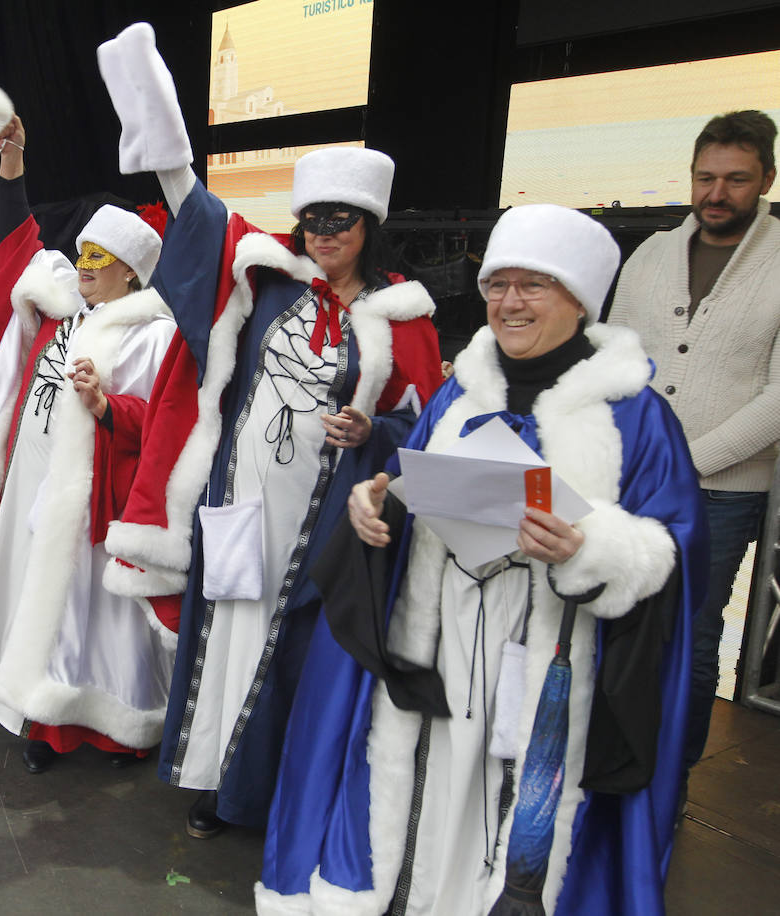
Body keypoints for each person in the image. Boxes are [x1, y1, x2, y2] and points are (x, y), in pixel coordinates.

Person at [257, 203, 707, 915]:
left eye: (534, 285)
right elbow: (418, 489)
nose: (509, 303)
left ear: (580, 300)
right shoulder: (461, 393)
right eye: (498, 285)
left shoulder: (637, 415)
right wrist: (379, 506)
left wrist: (589, 549)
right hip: (446, 644)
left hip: (549, 656)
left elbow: (672, 551)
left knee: (517, 810)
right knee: (427, 786)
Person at [93, 24, 444, 838]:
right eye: (313, 219)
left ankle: (279, 792)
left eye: (342, 221)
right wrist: (165, 136)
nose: (324, 234)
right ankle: (221, 785)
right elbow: (198, 220)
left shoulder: (401, 317)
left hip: (323, 523)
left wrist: (377, 428)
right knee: (230, 641)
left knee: (298, 654)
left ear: (370, 227)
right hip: (244, 502)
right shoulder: (269, 281)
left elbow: (427, 425)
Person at [0, 113, 179, 772]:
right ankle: (43, 723)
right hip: (34, 489)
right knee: (44, 611)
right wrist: (12, 162)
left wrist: (106, 407)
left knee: (101, 620)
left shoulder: (151, 334)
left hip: (101, 496)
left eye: (101, 260)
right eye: (85, 257)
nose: (87, 268)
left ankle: (120, 726)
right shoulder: (56, 311)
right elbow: (16, 246)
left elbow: (161, 421)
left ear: (131, 273)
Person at [608, 110, 780, 779]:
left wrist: (685, 463)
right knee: (614, 616)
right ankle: (608, 765)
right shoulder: (650, 254)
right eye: (706, 177)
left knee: (691, 637)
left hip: (722, 492)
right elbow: (614, 359)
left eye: (736, 179)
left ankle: (665, 782)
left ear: (765, 177)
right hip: (628, 477)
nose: (717, 192)